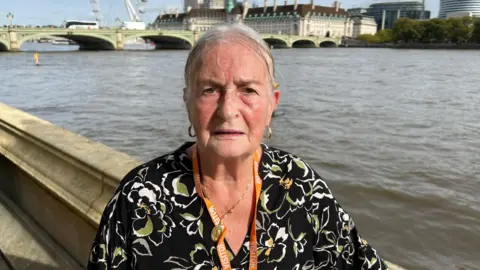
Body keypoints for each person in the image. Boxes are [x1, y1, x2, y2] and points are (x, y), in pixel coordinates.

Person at [87, 24, 388, 270]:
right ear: (187, 102)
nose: (228, 109)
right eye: (209, 90)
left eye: (248, 90)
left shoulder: (302, 187)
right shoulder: (139, 197)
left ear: (272, 105)